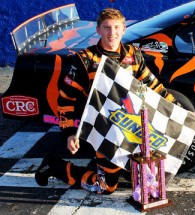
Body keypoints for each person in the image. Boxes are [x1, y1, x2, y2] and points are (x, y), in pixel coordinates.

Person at [35, 8, 179, 194]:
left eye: (116, 27)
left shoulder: (133, 54)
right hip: (103, 130)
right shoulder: (85, 59)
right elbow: (65, 98)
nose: (112, 33)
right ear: (98, 30)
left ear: (124, 29)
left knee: (145, 176)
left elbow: (153, 86)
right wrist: (69, 133)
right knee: (105, 187)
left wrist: (178, 109)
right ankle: (53, 165)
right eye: (107, 27)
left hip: (131, 126)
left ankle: (121, 170)